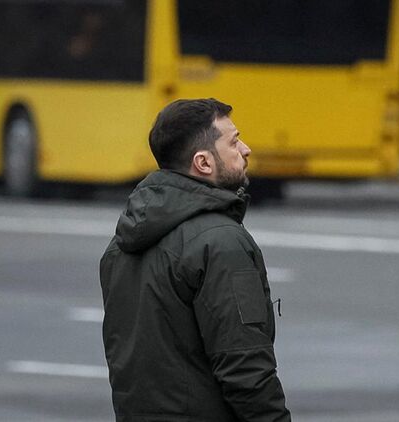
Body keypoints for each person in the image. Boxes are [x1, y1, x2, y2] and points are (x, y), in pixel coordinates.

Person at [100, 98, 291, 421]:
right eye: (234, 142)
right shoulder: (222, 243)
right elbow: (244, 367)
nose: (245, 150)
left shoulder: (120, 246)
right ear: (203, 162)